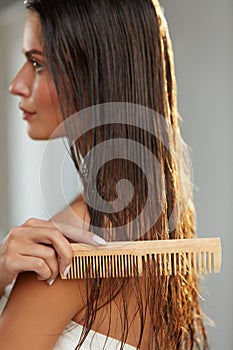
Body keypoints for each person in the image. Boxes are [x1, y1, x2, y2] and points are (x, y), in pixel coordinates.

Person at [0, 0, 209, 349]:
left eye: (37, 64)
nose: (16, 85)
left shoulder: (68, 248)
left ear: (94, 71)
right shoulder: (162, 218)